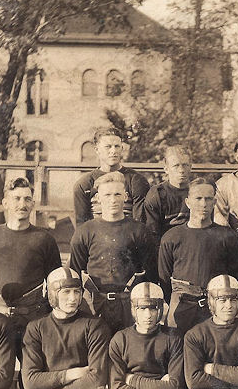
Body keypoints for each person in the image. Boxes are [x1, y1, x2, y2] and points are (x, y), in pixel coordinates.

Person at [0, 177, 61, 357]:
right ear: (5, 203)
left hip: (32, 319)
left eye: (27, 199)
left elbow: (56, 283)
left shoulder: (44, 239)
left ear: (33, 204)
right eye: (16, 198)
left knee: (31, 379)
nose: (22, 204)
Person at [68, 172, 156, 334]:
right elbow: (75, 271)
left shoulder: (139, 230)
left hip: (129, 304)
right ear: (98, 198)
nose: (113, 199)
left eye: (117, 194)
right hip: (96, 305)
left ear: (125, 196)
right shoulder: (85, 231)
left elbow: (151, 273)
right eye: (107, 194)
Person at [158, 177, 238, 334]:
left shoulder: (227, 236)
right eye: (198, 198)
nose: (203, 204)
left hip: (214, 306)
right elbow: (164, 278)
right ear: (188, 202)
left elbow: (236, 276)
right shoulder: (172, 236)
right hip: (182, 305)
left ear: (214, 202)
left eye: (208, 199)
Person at [73, 127, 150, 225]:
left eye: (117, 146)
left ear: (122, 148)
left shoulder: (136, 180)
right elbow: (82, 227)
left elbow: (140, 224)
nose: (113, 151)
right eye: (108, 146)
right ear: (97, 149)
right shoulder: (84, 184)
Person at [141, 145, 192, 244]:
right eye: (176, 166)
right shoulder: (157, 194)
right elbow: (153, 233)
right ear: (166, 169)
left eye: (185, 165)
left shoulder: (197, 191)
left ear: (190, 167)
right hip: (166, 247)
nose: (181, 170)